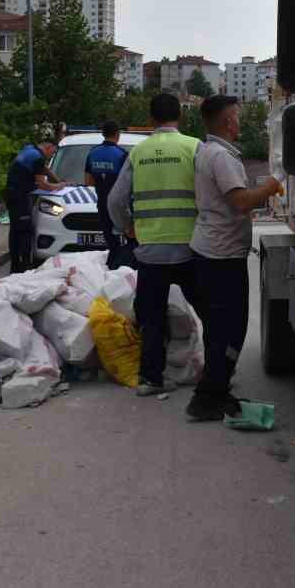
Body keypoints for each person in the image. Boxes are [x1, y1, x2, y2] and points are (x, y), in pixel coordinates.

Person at [186, 94, 283, 422]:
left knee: (218, 329)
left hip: (211, 251)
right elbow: (241, 201)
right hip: (221, 257)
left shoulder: (206, 150)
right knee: (231, 329)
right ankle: (207, 399)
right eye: (237, 117)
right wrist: (273, 185)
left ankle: (215, 389)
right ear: (228, 122)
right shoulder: (222, 157)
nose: (239, 122)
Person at [108, 93, 200, 397]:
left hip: (150, 251)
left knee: (151, 318)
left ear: (150, 120)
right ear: (180, 117)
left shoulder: (138, 153)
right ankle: (214, 376)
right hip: (191, 248)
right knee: (209, 312)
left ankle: (151, 379)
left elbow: (116, 200)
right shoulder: (193, 147)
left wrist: (127, 227)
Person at [6, 135, 63, 274]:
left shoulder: (30, 149)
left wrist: (59, 180)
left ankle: (15, 265)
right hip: (19, 196)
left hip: (10, 193)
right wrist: (58, 186)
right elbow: (43, 184)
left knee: (15, 229)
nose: (52, 155)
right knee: (25, 231)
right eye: (53, 152)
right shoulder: (38, 158)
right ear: (48, 147)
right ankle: (24, 266)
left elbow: (44, 169)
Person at [86, 120, 131, 269]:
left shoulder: (92, 153)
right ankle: (121, 265)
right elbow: (128, 182)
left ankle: (112, 262)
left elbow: (89, 181)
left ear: (102, 134)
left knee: (109, 238)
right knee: (126, 236)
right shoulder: (122, 154)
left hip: (102, 201)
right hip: (119, 203)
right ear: (117, 134)